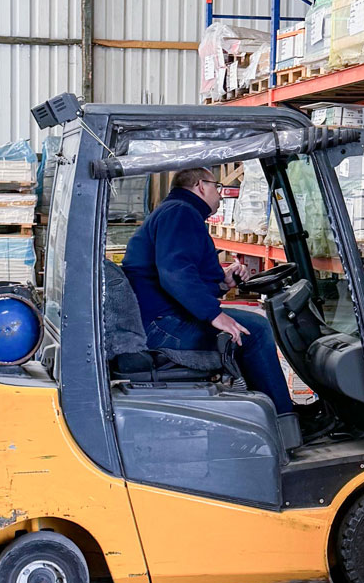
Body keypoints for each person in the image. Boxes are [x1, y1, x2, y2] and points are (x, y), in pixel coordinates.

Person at [123, 166, 294, 415]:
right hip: (161, 327)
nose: (220, 194)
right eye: (217, 187)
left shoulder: (177, 213)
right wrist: (215, 315)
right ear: (200, 186)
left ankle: (267, 408)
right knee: (255, 330)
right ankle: (283, 419)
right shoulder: (181, 213)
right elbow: (174, 274)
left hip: (159, 319)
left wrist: (223, 282)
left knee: (249, 326)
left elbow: (181, 271)